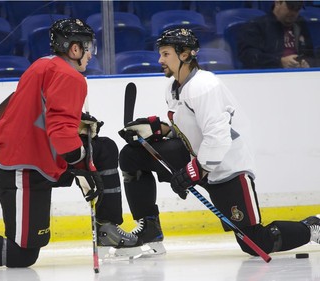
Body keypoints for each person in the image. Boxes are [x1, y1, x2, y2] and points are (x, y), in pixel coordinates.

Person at [0, 18, 138, 268]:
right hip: (23, 167)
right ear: (74, 48)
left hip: (38, 158)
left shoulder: (44, 64)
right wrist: (80, 166)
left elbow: (41, 115)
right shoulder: (71, 77)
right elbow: (58, 130)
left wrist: (79, 125)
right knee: (21, 255)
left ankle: (107, 228)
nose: (91, 54)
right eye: (88, 47)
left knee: (104, 149)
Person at [118, 27, 320, 257]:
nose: (159, 59)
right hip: (198, 159)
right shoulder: (173, 87)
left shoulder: (204, 86)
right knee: (132, 155)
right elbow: (188, 130)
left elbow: (218, 137)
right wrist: (156, 129)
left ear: (184, 54)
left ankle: (312, 227)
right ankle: (150, 231)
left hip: (227, 168)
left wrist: (196, 170)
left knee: (255, 243)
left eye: (165, 54)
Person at [238, 0, 318, 69]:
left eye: (297, 9)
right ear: (277, 3)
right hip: (270, 76)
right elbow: (248, 56)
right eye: (290, 7)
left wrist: (307, 63)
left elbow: (310, 54)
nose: (293, 13)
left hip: (298, 75)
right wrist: (279, 62)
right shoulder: (257, 25)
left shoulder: (300, 24)